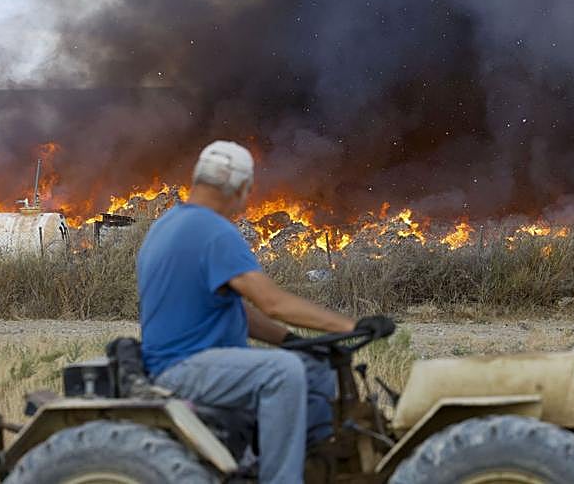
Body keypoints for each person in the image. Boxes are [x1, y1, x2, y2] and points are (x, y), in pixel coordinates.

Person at [137, 140, 393, 484]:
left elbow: (238, 307)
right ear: (242, 188)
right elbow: (273, 303)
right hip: (183, 367)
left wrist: (292, 340)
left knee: (315, 367)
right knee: (282, 372)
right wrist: (352, 326)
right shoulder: (213, 231)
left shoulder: (169, 224)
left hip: (191, 359)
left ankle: (320, 464)